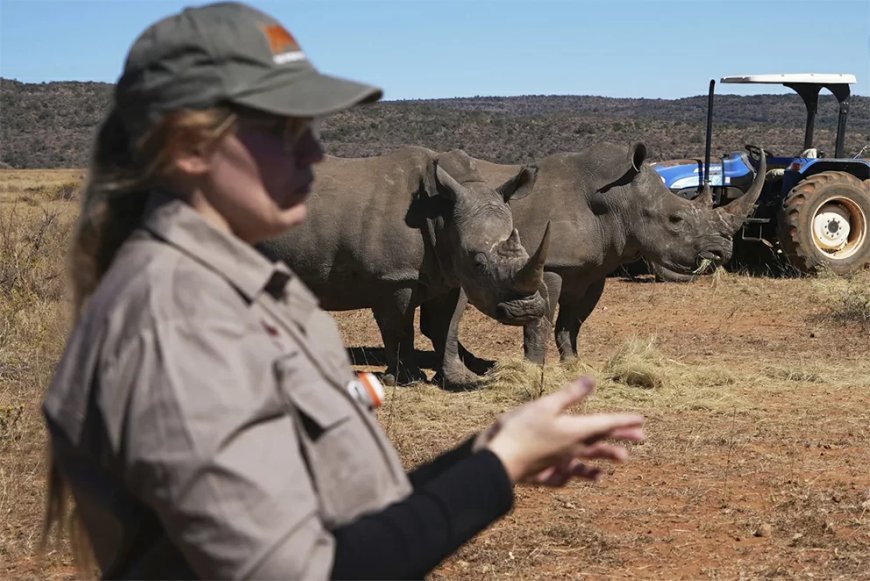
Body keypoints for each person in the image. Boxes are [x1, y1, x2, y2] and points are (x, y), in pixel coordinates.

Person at [41, 2, 645, 579]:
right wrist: (496, 467)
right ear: (190, 147)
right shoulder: (179, 324)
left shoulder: (233, 294)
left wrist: (490, 452)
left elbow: (337, 526)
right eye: (283, 131)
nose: (314, 154)